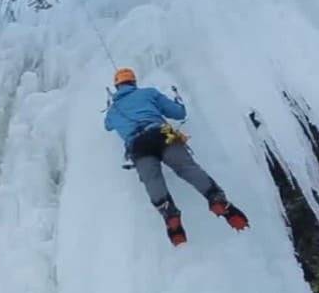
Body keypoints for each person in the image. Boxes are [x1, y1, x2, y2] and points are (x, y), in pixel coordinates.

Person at [104, 67, 248, 246]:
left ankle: (169, 213)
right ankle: (216, 198)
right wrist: (178, 101)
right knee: (186, 168)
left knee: (152, 179)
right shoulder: (149, 93)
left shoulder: (112, 111)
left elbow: (108, 126)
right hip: (161, 134)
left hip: (138, 146)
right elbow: (179, 113)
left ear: (117, 87)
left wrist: (113, 104)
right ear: (133, 82)